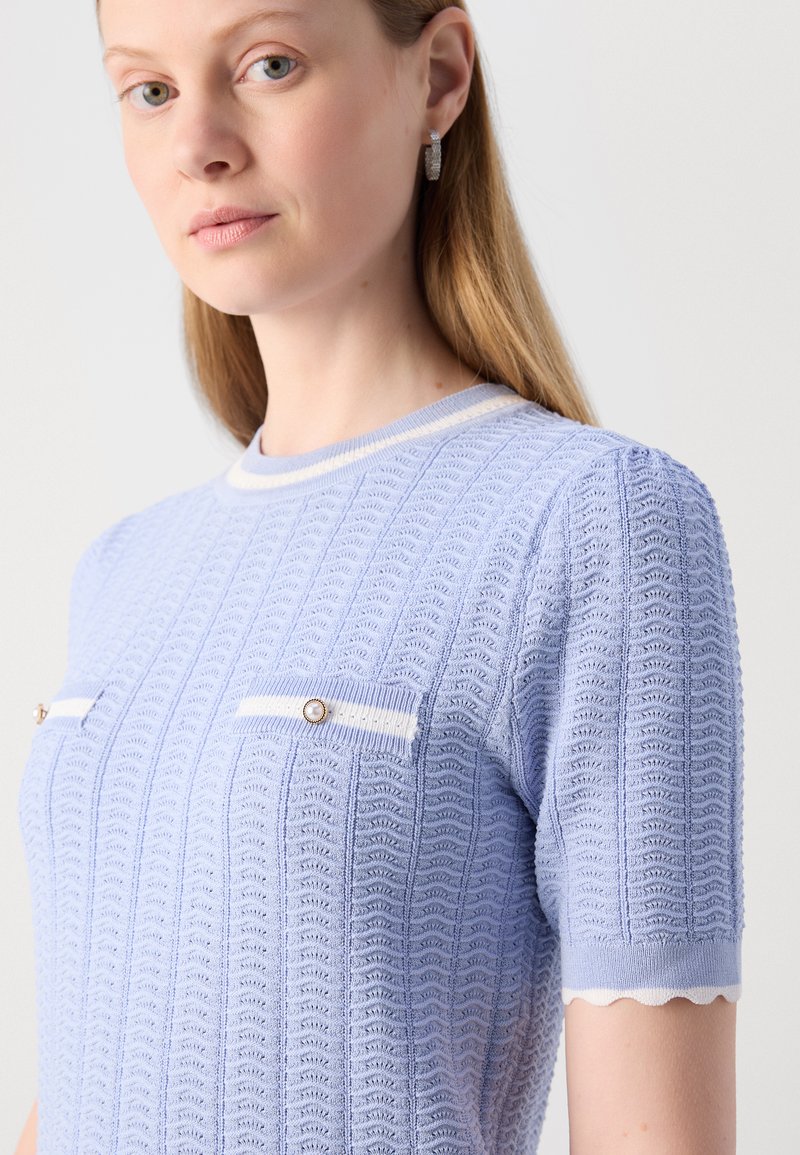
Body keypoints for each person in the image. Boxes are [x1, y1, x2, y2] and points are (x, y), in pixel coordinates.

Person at [15, 1, 744, 1152]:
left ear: (438, 76)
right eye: (148, 90)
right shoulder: (121, 570)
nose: (196, 143)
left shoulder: (593, 522)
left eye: (268, 64)